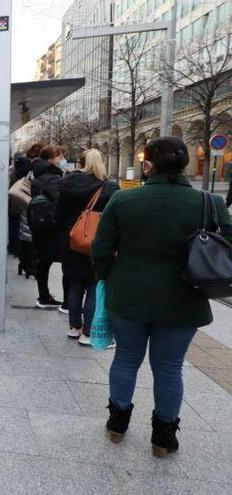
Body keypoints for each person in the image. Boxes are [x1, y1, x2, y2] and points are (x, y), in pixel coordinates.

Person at [93, 136, 232, 458]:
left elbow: (101, 250)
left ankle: (117, 423)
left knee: (126, 359)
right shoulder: (209, 202)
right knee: (170, 367)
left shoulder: (123, 201)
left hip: (128, 295)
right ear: (183, 165)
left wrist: (106, 278)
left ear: (148, 165)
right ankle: (164, 436)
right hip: (184, 298)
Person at [56, 149, 119, 346]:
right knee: (92, 287)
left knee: (74, 283)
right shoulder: (109, 188)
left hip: (72, 242)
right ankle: (88, 333)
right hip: (96, 243)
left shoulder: (66, 184)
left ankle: (74, 327)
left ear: (81, 163)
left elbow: (57, 216)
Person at [29, 145, 67, 308]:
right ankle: (67, 303)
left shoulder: (37, 175)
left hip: (40, 225)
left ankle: (43, 296)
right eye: (60, 157)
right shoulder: (53, 178)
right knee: (67, 263)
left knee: (43, 262)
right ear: (51, 160)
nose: (62, 160)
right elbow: (60, 202)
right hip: (54, 227)